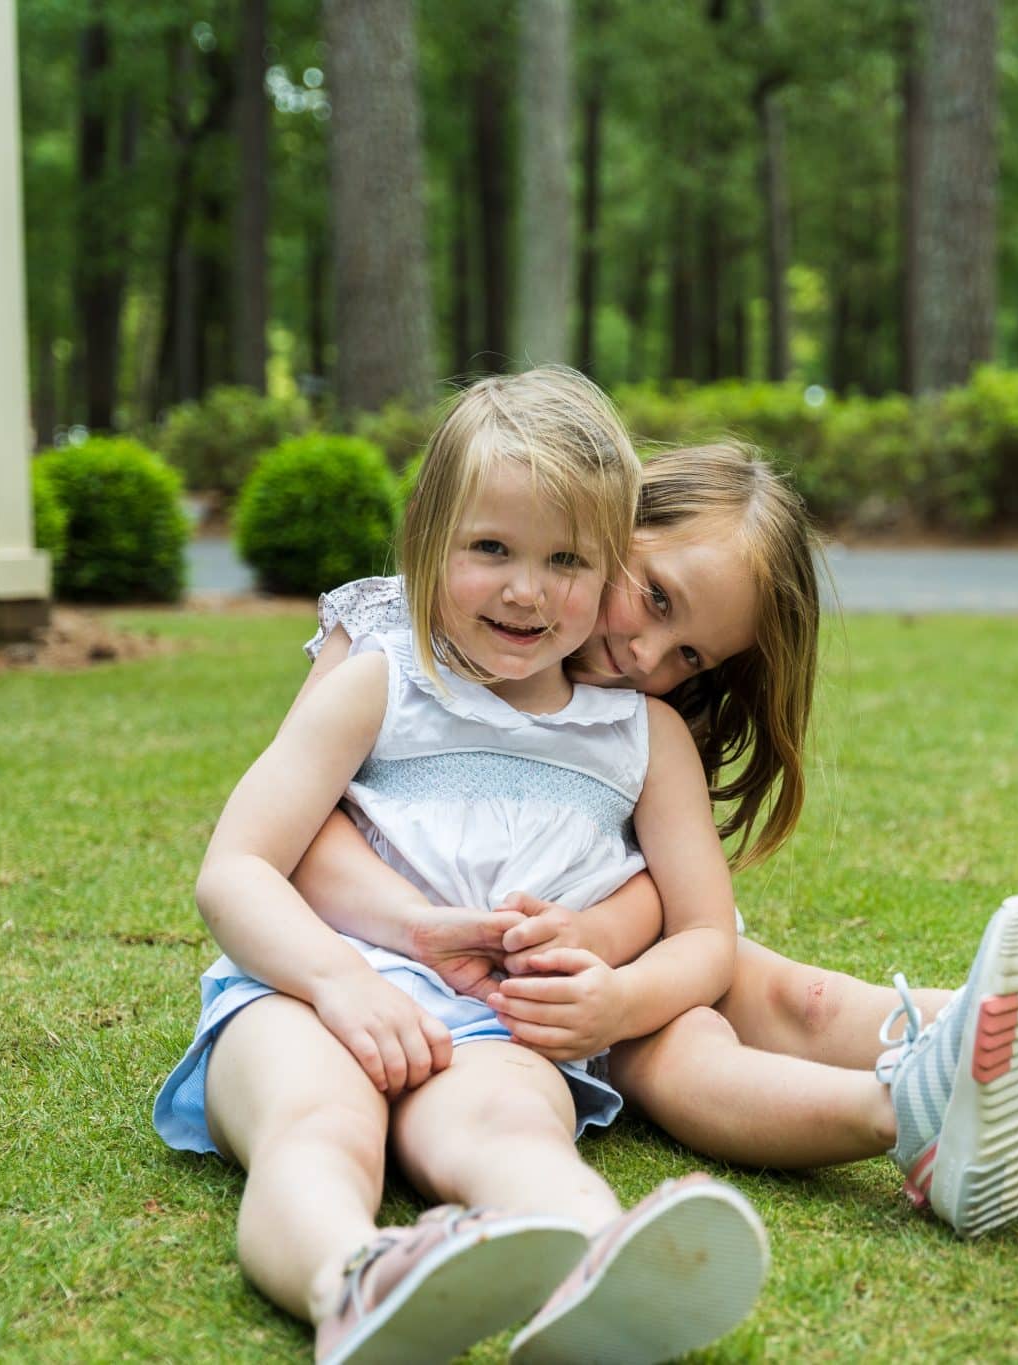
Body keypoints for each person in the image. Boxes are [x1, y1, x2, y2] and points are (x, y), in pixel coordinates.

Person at [291, 438, 1018, 1235]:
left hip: (601, 963)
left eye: (689, 655)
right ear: (613, 513)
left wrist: (609, 962)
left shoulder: (636, 721)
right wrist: (438, 925)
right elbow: (305, 826)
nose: (644, 656)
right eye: (655, 599)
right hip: (450, 958)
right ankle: (914, 1108)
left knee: (791, 996)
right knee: (690, 1059)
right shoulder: (393, 623)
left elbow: (676, 895)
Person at [152, 369, 767, 1365]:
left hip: (493, 1020)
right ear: (424, 546)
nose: (527, 590)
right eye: (491, 549)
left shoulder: (629, 730)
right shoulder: (375, 686)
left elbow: (704, 928)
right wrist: (339, 983)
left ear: (611, 566)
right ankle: (353, 1280)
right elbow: (235, 870)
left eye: (567, 559)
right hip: (307, 997)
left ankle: (596, 1266)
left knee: (514, 1127)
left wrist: (610, 992)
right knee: (318, 1125)